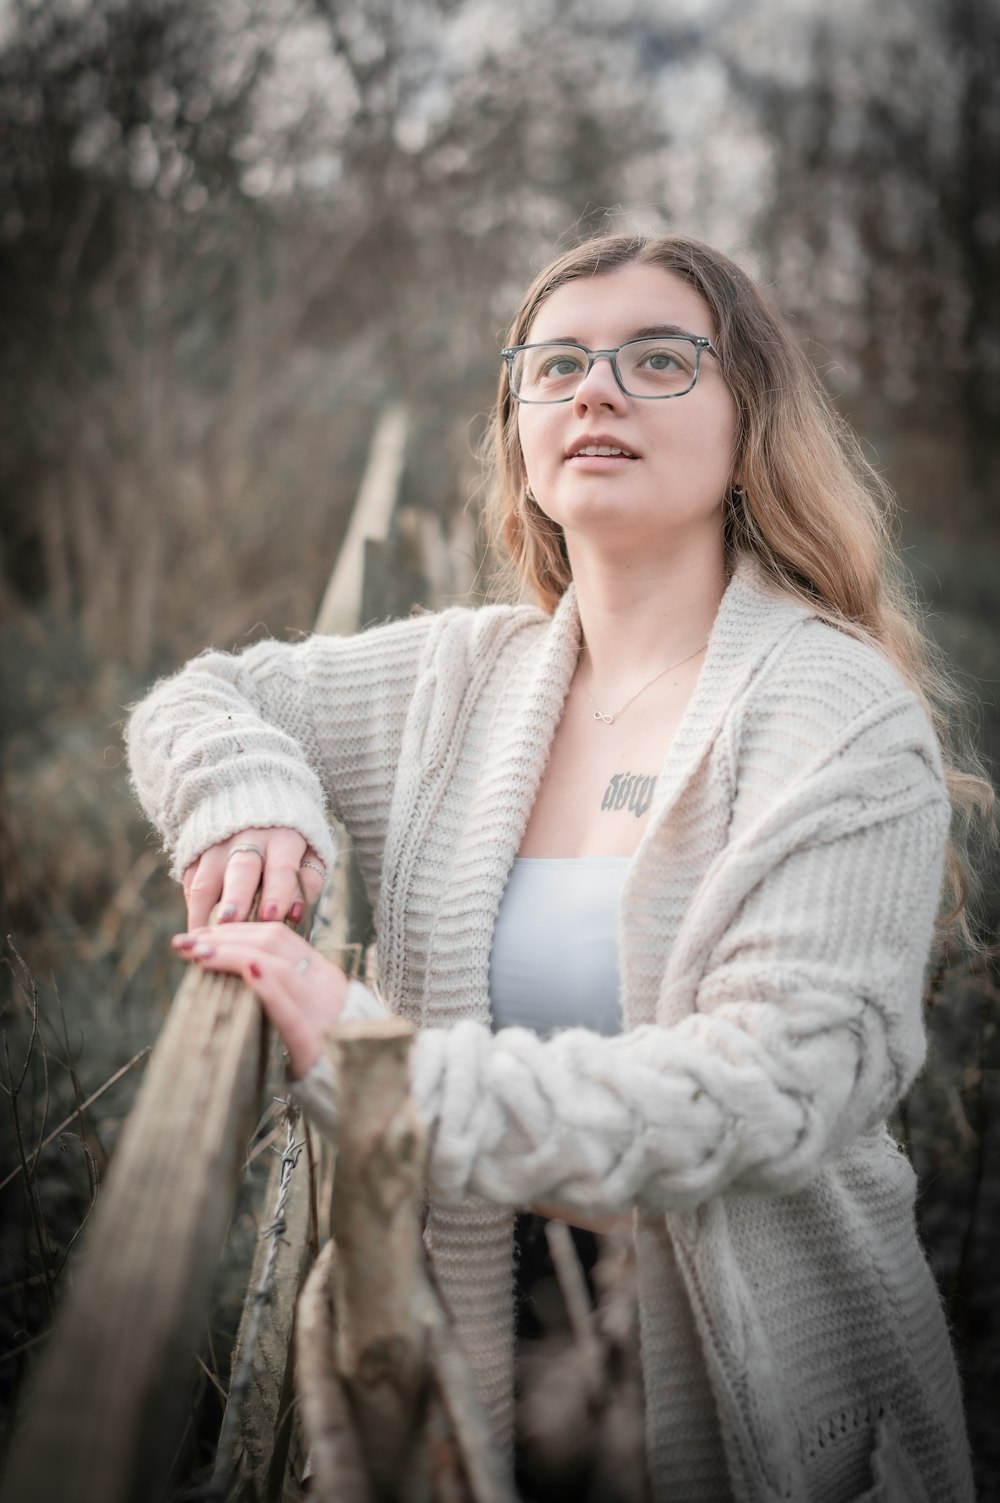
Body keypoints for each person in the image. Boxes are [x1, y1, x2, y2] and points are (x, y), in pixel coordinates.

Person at [127, 232, 983, 1502]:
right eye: (556, 365)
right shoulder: (462, 679)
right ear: (521, 433)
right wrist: (252, 803)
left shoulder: (833, 715)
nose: (594, 390)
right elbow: (205, 698)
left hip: (771, 1429)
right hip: (475, 1403)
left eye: (657, 359)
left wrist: (389, 1079)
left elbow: (771, 1089)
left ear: (752, 418)